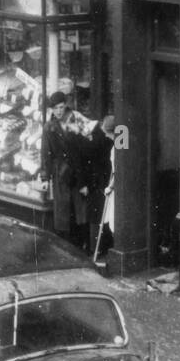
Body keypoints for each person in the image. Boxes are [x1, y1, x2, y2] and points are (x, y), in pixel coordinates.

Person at [74, 114, 115, 254]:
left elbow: (86, 151)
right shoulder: (99, 139)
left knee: (98, 216)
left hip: (100, 182)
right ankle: (97, 248)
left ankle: (96, 248)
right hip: (100, 182)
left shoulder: (99, 138)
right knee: (98, 216)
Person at [40, 91, 75, 237]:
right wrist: (45, 178)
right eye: (55, 108)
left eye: (61, 107)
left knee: (76, 209)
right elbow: (46, 154)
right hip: (60, 172)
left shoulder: (73, 120)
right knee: (62, 210)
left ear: (65, 106)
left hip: (75, 169)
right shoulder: (49, 127)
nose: (59, 111)